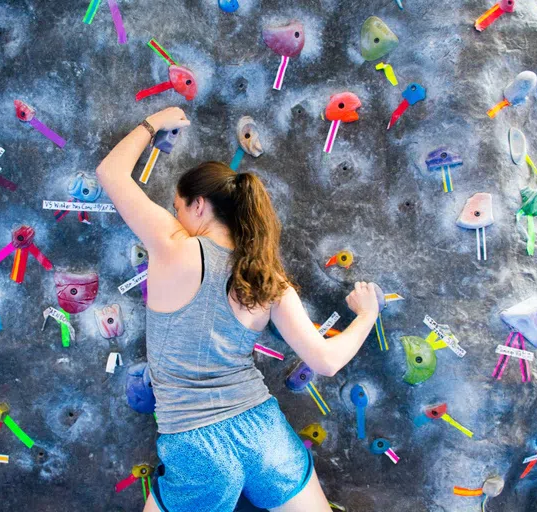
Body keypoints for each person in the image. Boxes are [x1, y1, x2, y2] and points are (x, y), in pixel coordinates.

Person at [96, 107, 381, 512]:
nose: (175, 216)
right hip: (264, 432)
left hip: (196, 445)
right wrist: (367, 314)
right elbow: (327, 360)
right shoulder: (268, 279)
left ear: (198, 206)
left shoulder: (173, 244)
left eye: (178, 207)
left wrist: (154, 122)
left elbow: (110, 173)